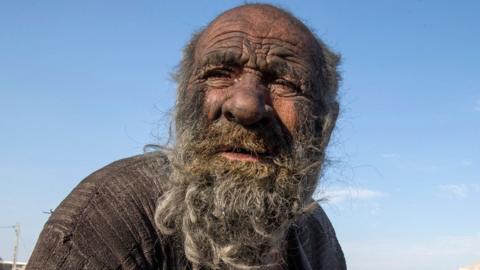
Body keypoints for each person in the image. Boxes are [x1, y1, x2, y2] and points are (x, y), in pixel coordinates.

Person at [27, 4, 346, 270]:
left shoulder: (315, 231)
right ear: (184, 102)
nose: (246, 105)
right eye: (219, 73)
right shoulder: (111, 216)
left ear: (324, 123)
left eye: (285, 83)